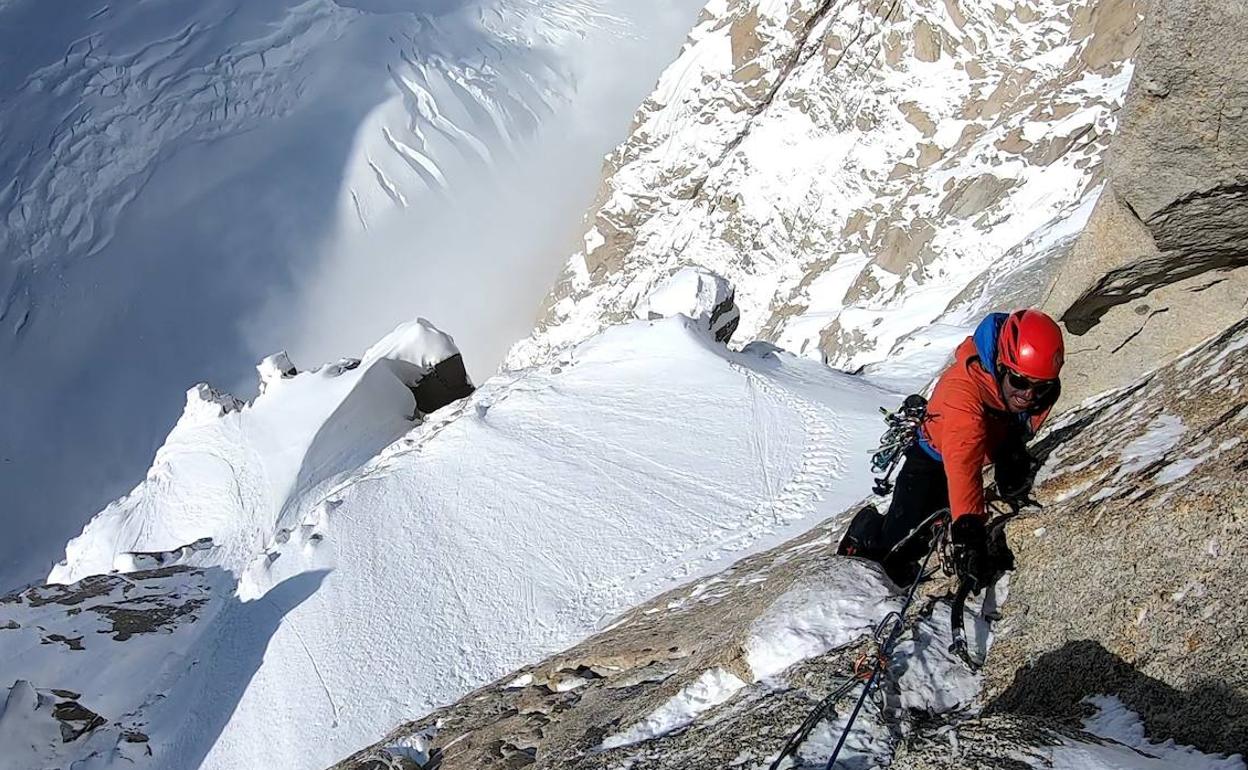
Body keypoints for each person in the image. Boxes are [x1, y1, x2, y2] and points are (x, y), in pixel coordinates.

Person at [839, 309, 1065, 589]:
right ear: (1000, 364)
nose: (1029, 395)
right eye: (1019, 381)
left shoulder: (1035, 388)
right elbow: (962, 461)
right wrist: (968, 533)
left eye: (1040, 387)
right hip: (930, 458)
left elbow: (1021, 418)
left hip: (983, 448)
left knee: (934, 525)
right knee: (897, 545)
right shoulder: (962, 392)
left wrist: (1011, 449)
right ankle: (864, 533)